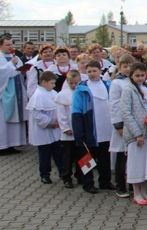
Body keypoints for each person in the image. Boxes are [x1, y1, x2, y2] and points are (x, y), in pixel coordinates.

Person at [72, 61, 115, 195]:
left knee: (105, 156)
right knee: (87, 157)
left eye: (94, 71)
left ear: (100, 70)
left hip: (106, 127)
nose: (92, 74)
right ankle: (88, 183)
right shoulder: (82, 89)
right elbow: (76, 111)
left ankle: (105, 181)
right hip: (90, 127)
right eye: (89, 71)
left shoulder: (108, 85)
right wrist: (78, 132)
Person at [120, 62, 147, 205]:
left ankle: (144, 191)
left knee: (146, 163)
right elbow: (126, 113)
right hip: (136, 133)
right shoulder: (128, 90)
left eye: (142, 75)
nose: (140, 78)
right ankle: (136, 192)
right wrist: (137, 133)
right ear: (131, 75)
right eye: (137, 75)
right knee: (136, 163)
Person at [27, 70, 64, 184]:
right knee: (45, 154)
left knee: (58, 152)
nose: (54, 85)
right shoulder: (38, 95)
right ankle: (45, 174)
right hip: (44, 130)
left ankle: (63, 172)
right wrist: (49, 123)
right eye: (52, 83)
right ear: (43, 82)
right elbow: (37, 114)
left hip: (55, 129)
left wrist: (58, 121)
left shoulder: (52, 93)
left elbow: (59, 107)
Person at [109, 55, 135, 198]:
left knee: (134, 156)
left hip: (135, 124)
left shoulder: (137, 81)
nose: (128, 69)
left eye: (131, 66)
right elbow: (114, 105)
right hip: (123, 125)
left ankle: (133, 183)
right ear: (120, 68)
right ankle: (120, 185)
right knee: (122, 155)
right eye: (125, 66)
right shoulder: (116, 83)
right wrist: (119, 125)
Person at [0, 34, 28, 155]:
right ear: (0, 45)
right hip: (5, 94)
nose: (10, 47)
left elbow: (20, 72)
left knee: (17, 119)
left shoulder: (14, 56)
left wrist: (23, 69)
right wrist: (11, 64)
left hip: (17, 93)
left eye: (11, 44)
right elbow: (2, 73)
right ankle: (2, 145)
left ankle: (13, 144)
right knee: (4, 121)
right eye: (7, 44)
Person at [55, 69, 82, 188]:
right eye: (71, 83)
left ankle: (81, 175)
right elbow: (61, 114)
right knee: (68, 156)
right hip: (69, 131)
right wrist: (65, 128)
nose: (74, 85)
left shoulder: (82, 92)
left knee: (81, 155)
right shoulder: (63, 94)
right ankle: (66, 177)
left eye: (76, 83)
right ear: (67, 82)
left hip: (80, 130)